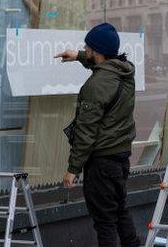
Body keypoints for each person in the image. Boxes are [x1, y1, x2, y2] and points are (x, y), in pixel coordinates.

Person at [56, 23, 140, 247]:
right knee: (120, 212)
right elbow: (104, 66)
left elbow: (86, 132)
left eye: (88, 47)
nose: (86, 49)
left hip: (101, 164)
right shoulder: (125, 72)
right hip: (121, 158)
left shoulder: (95, 86)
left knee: (105, 223)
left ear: (98, 51)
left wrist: (73, 169)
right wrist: (79, 56)